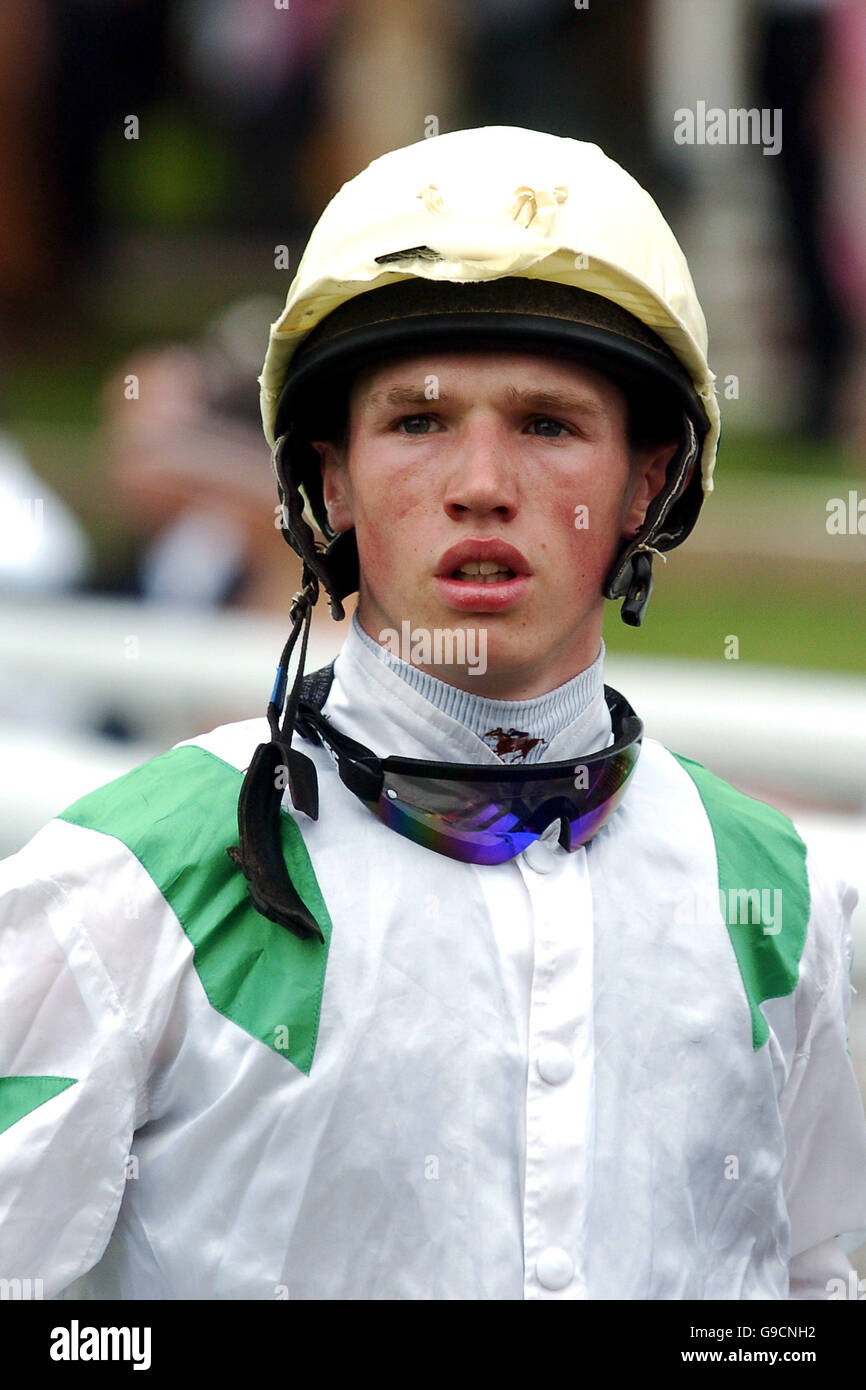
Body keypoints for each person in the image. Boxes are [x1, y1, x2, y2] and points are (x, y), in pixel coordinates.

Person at [2, 126, 865, 1302]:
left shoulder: (781, 904)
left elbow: (805, 1287)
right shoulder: (127, 881)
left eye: (547, 425)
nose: (478, 483)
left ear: (646, 483)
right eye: (415, 421)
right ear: (332, 481)